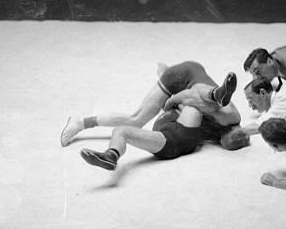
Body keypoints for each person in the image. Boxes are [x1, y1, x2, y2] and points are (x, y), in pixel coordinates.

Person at [60, 61, 249, 170]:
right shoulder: (230, 118)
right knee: (136, 119)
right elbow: (183, 97)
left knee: (133, 123)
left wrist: (174, 101)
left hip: (185, 90)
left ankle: (214, 93)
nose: (224, 142)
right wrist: (174, 99)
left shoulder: (210, 132)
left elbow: (180, 103)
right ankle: (80, 123)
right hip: (186, 80)